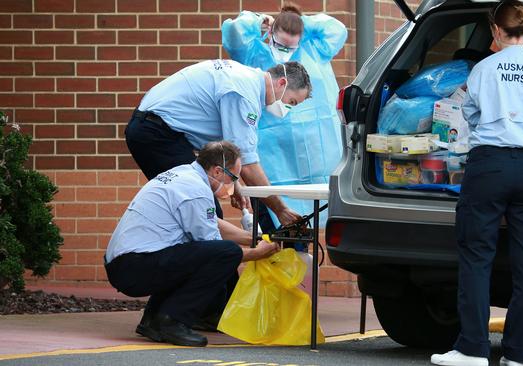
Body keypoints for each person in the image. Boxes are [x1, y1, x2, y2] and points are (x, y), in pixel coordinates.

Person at [430, 1, 523, 365]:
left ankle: (473, 349)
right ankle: (518, 356)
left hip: (488, 167)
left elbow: (470, 115)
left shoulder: (483, 69)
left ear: (495, 30)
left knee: (477, 257)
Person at [104, 141, 281, 347]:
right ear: (217, 171)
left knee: (188, 253)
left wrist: (251, 238)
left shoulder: (184, 174)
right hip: (135, 266)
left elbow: (211, 224)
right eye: (232, 178)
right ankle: (172, 320)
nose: (233, 186)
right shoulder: (195, 190)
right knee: (224, 254)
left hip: (127, 263)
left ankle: (152, 320)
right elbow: (215, 250)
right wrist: (258, 253)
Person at [125, 59, 311, 227]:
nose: (287, 109)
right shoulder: (244, 93)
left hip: (156, 131)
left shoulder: (244, 77)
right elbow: (247, 163)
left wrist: (235, 184)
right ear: (282, 83)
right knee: (204, 211)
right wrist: (281, 209)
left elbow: (225, 149)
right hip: (156, 134)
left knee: (202, 211)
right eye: (291, 102)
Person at [222, 3, 347, 230]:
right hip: (273, 158)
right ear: (271, 33)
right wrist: (259, 20)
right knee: (277, 223)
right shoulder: (253, 52)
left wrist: (301, 23)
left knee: (312, 219)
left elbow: (336, 29)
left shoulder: (314, 49)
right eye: (281, 43)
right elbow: (233, 33)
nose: (285, 51)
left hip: (318, 156)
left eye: (292, 45)